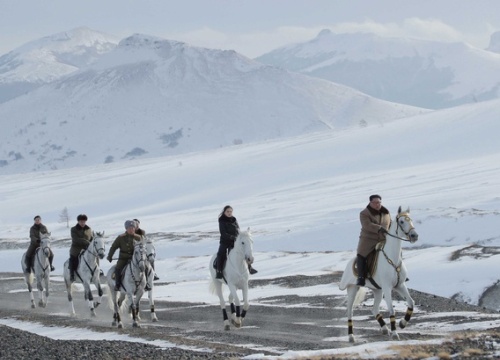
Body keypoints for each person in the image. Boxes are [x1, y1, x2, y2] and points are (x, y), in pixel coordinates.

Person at [356, 194, 391, 286]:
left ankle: (399, 272)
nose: (377, 204)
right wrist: (379, 228)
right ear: (370, 202)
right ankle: (361, 277)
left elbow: (390, 224)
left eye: (379, 202)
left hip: (383, 238)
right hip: (368, 239)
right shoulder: (364, 213)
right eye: (375, 202)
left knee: (395, 251)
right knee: (361, 254)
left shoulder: (386, 212)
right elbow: (366, 225)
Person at [215, 205, 257, 279]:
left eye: (230, 211)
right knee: (220, 253)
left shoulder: (234, 219)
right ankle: (219, 272)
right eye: (227, 211)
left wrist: (239, 237)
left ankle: (250, 267)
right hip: (225, 241)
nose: (229, 213)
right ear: (224, 212)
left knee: (244, 251)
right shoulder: (221, 220)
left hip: (234, 241)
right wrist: (232, 237)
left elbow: (238, 230)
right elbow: (223, 233)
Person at [107, 220, 142, 291]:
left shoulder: (138, 238)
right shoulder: (120, 238)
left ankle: (146, 284)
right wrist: (110, 256)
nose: (132, 229)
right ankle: (117, 284)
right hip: (123, 258)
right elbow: (113, 247)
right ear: (126, 228)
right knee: (118, 268)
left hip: (135, 258)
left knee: (144, 267)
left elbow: (143, 248)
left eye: (133, 228)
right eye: (130, 228)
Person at [69, 214, 93, 281]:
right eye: (81, 221)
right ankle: (72, 274)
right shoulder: (73, 229)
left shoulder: (89, 229)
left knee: (95, 255)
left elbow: (91, 238)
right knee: (73, 258)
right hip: (76, 248)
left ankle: (97, 271)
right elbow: (75, 239)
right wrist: (86, 241)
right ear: (78, 221)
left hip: (87, 248)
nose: (83, 223)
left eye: (84, 221)